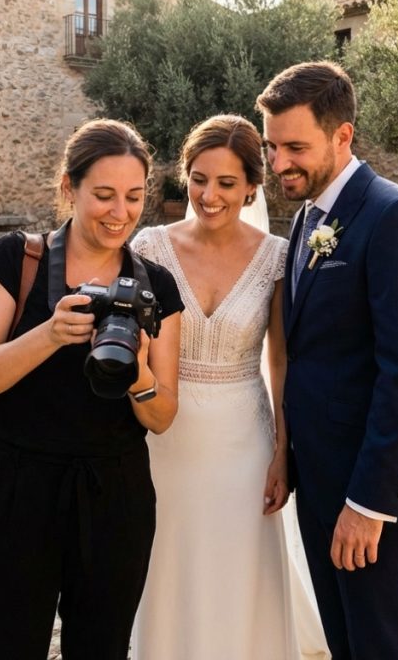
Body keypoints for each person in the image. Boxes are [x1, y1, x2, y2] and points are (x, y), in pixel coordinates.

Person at [0, 119, 183, 660]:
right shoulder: (17, 259)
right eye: (103, 195)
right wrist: (50, 333)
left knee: (101, 650)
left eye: (133, 197)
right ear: (68, 188)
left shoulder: (157, 286)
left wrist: (140, 374)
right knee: (3, 648)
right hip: (15, 489)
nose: (119, 213)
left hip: (115, 495)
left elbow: (163, 416)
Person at [257, 61, 398, 660]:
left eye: (295, 147)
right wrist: (288, 459)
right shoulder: (309, 219)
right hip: (318, 479)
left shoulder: (396, 218)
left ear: (343, 136)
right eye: (271, 146)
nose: (279, 162)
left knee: (379, 644)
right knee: (344, 642)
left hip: (372, 490)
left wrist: (369, 505)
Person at [130, 114, 329, 660]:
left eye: (225, 183)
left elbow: (280, 362)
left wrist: (282, 453)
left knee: (237, 566)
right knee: (166, 563)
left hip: (245, 439)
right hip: (162, 437)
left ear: (251, 188)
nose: (208, 195)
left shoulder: (276, 257)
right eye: (198, 179)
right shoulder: (149, 247)